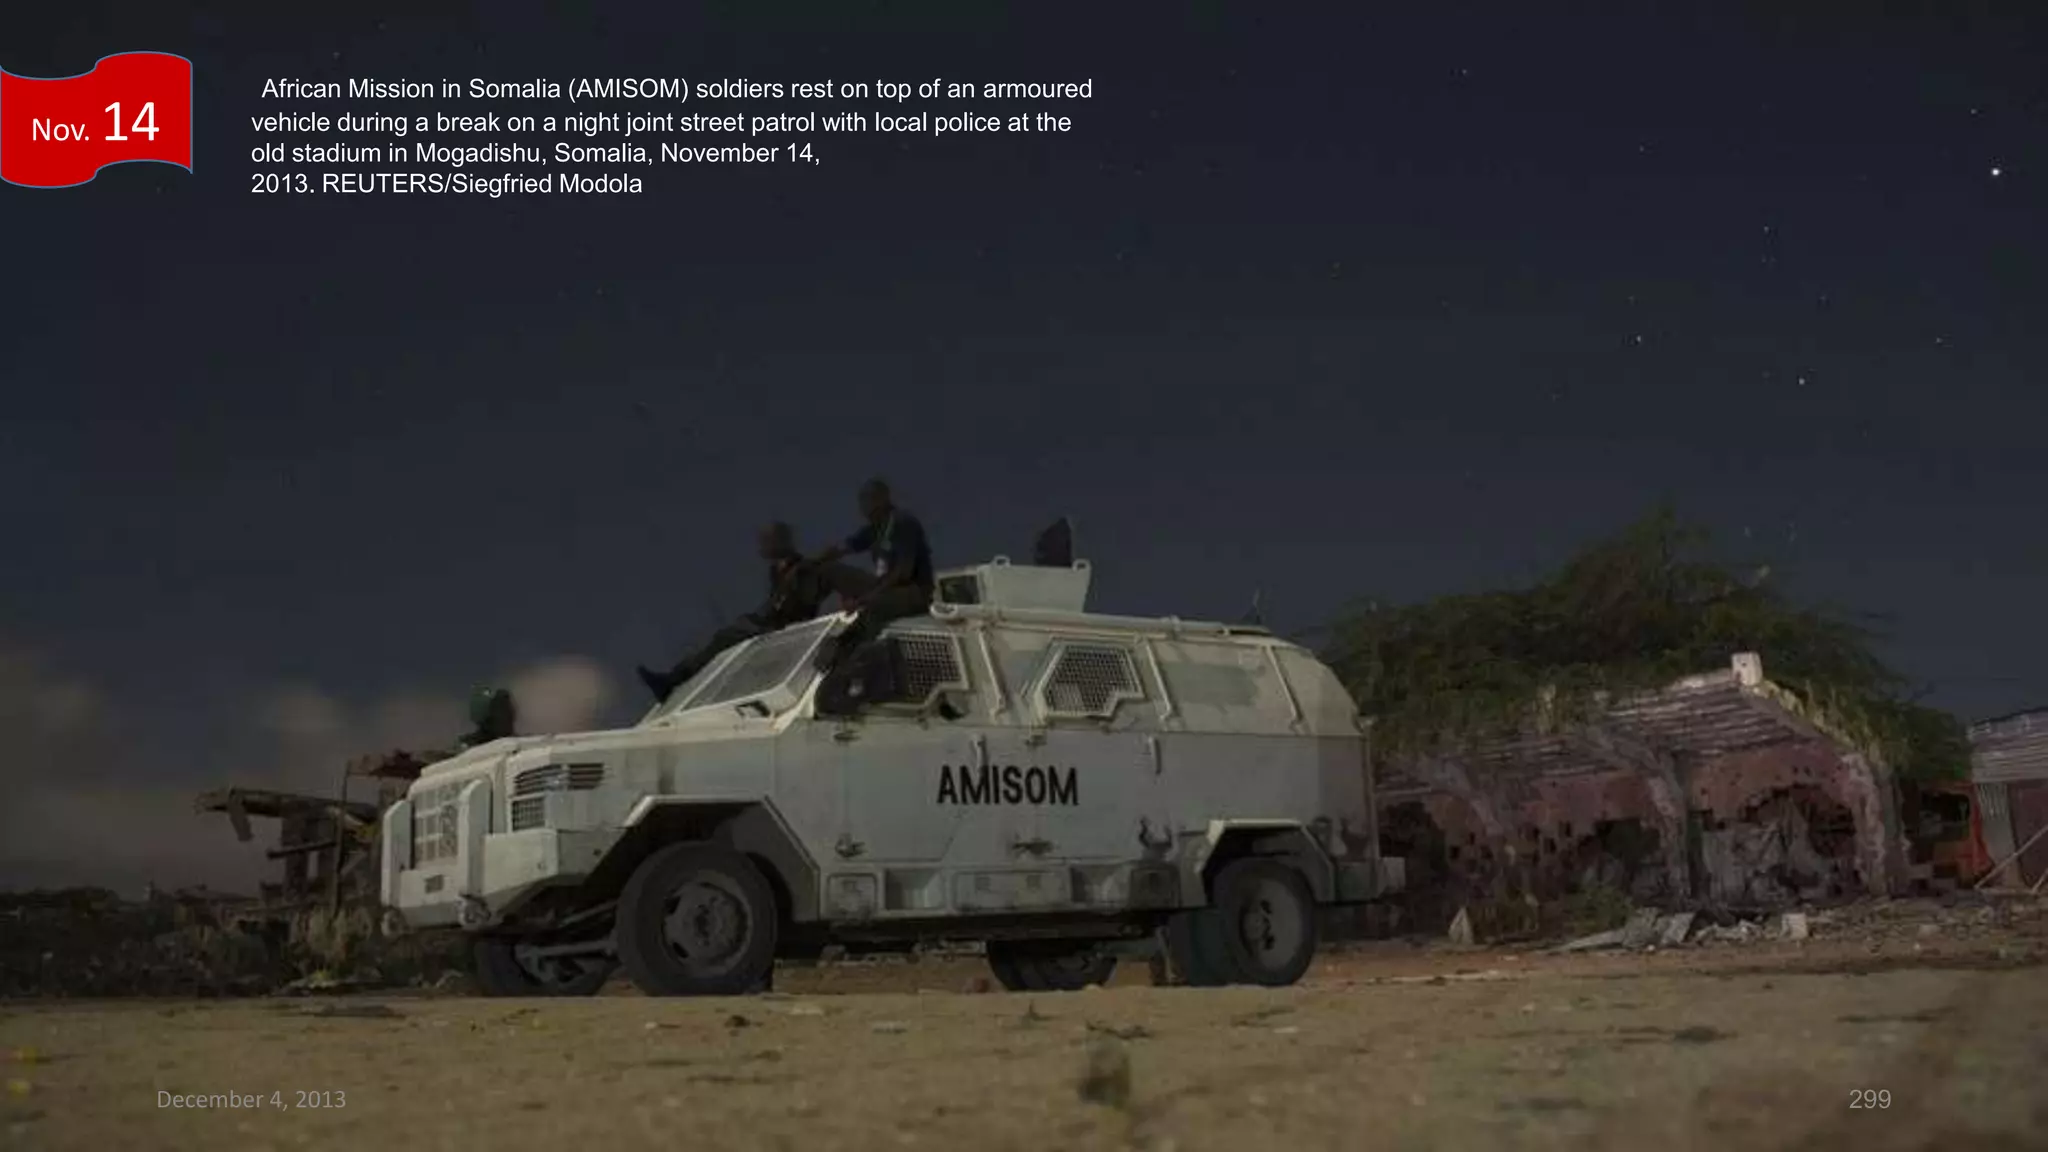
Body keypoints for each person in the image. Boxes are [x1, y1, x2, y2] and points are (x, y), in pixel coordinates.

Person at [637, 521, 826, 702]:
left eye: (768, 540)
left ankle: (672, 680)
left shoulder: (801, 569)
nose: (763, 545)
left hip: (786, 628)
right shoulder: (776, 571)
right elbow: (775, 602)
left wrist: (775, 619)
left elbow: (803, 606)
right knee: (723, 637)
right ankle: (674, 678)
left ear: (781, 541)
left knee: (724, 638)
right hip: (770, 623)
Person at [807, 478, 936, 663]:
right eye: (862, 501)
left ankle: (855, 653)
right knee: (830, 570)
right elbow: (845, 547)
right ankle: (801, 614)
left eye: (868, 499)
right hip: (885, 587)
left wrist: (861, 600)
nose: (863, 506)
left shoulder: (904, 522)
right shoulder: (874, 529)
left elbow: (903, 573)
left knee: (875, 606)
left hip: (913, 592)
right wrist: (814, 561)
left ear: (883, 499)